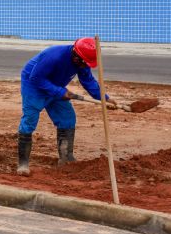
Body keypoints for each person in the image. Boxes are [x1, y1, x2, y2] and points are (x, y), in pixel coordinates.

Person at [16, 37, 117, 176]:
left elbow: (88, 81)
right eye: (85, 63)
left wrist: (105, 98)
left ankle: (66, 158)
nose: (85, 66)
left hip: (56, 85)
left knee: (67, 118)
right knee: (29, 121)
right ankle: (23, 164)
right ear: (76, 57)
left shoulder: (82, 62)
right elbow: (36, 78)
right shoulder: (54, 56)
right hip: (34, 85)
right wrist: (60, 92)